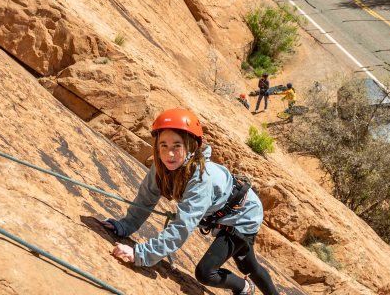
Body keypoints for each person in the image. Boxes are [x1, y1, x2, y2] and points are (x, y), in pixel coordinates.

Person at [101, 108, 279, 295]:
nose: (169, 154)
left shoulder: (202, 177)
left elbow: (182, 226)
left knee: (206, 272)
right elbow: (146, 199)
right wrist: (125, 226)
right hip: (225, 211)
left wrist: (141, 254)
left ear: (191, 146)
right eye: (163, 145)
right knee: (248, 264)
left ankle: (244, 287)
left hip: (243, 215)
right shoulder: (161, 167)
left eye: (177, 146)